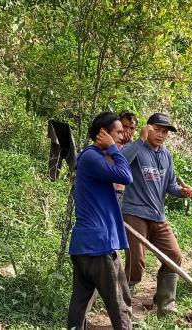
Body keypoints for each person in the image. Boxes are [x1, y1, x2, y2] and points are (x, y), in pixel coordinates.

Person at [120, 113, 192, 317]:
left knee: (174, 256)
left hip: (158, 215)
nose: (161, 135)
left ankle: (165, 306)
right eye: (157, 130)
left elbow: (170, 184)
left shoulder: (166, 155)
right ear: (148, 128)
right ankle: (122, 308)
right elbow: (120, 162)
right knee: (136, 263)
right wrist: (140, 139)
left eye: (165, 132)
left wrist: (182, 191)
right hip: (134, 213)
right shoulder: (135, 148)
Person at [67, 112, 133, 330]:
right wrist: (114, 149)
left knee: (81, 304)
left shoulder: (91, 158)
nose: (123, 137)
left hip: (87, 245)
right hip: (99, 245)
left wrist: (113, 149)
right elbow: (126, 176)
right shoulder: (92, 157)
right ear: (103, 134)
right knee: (120, 303)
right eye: (118, 133)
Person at [115, 112, 138, 204]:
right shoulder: (109, 143)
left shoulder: (136, 146)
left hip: (127, 195)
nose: (128, 130)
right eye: (125, 126)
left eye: (131, 128)